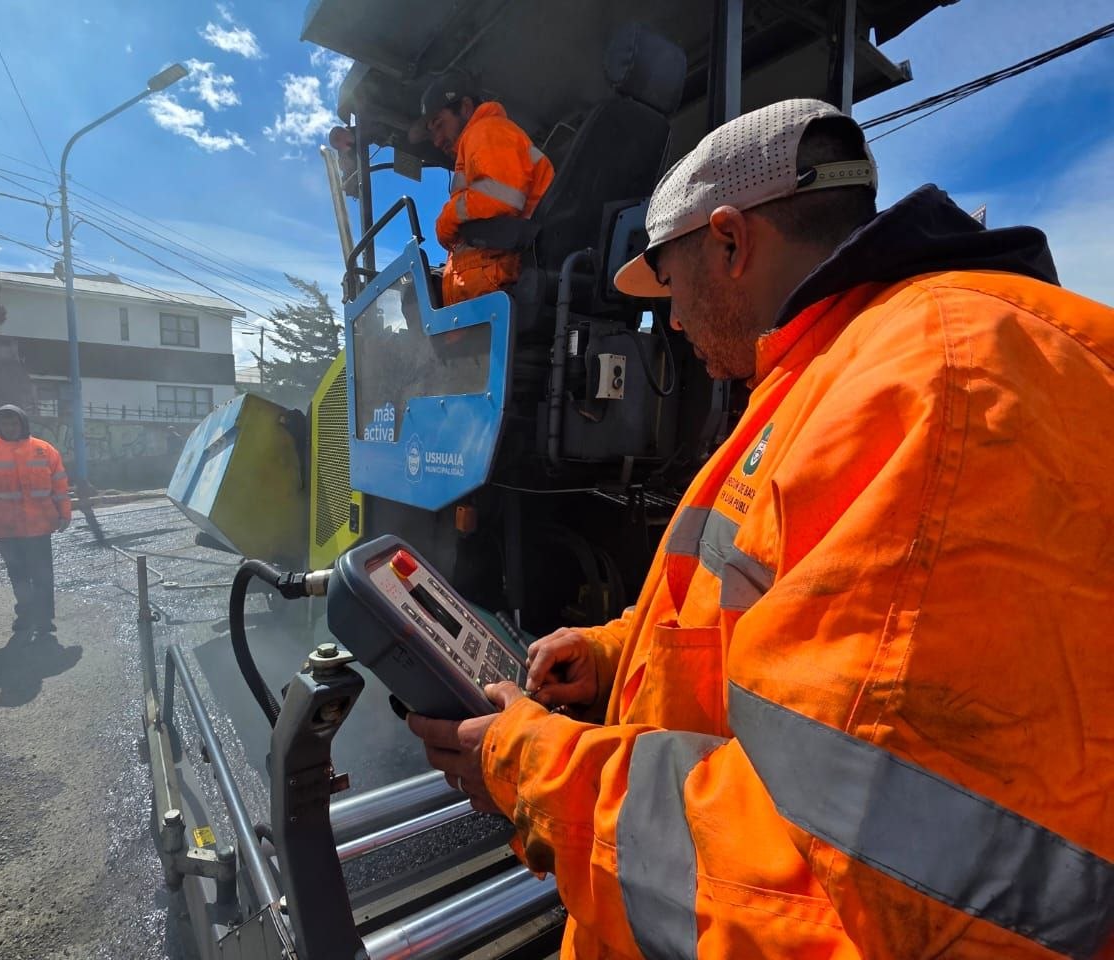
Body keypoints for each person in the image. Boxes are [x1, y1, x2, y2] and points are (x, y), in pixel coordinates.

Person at [407, 99, 1114, 958]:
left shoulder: (945, 386)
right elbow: (766, 608)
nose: (668, 320)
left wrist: (533, 767)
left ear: (732, 243)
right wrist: (607, 653)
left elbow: (835, 899)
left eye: (670, 283)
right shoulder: (844, 373)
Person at [419, 71, 554, 305]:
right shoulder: (484, 137)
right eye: (433, 134)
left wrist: (446, 220)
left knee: (416, 293)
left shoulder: (487, 130)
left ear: (465, 107)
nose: (437, 140)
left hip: (502, 279)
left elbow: (502, 196)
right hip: (499, 275)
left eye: (440, 125)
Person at [0, 405, 71, 638]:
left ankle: (44, 618)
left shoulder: (44, 450)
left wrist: (64, 513)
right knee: (17, 574)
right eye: (5, 424)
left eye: (14, 423)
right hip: (5, 527)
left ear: (23, 424)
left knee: (42, 575)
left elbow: (59, 485)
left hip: (40, 526)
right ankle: (25, 613)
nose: (10, 428)